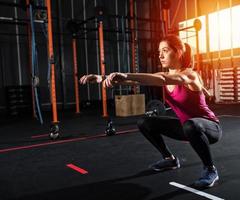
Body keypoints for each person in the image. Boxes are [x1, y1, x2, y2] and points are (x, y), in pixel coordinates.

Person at [80, 34, 222, 188]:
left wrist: (125, 74)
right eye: (159, 51)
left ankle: (210, 170)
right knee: (145, 122)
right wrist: (102, 78)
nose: (160, 55)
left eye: (165, 50)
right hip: (187, 127)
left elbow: (162, 80)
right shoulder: (165, 75)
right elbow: (137, 79)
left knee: (190, 125)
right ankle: (169, 159)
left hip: (210, 128)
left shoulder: (190, 74)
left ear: (179, 51)